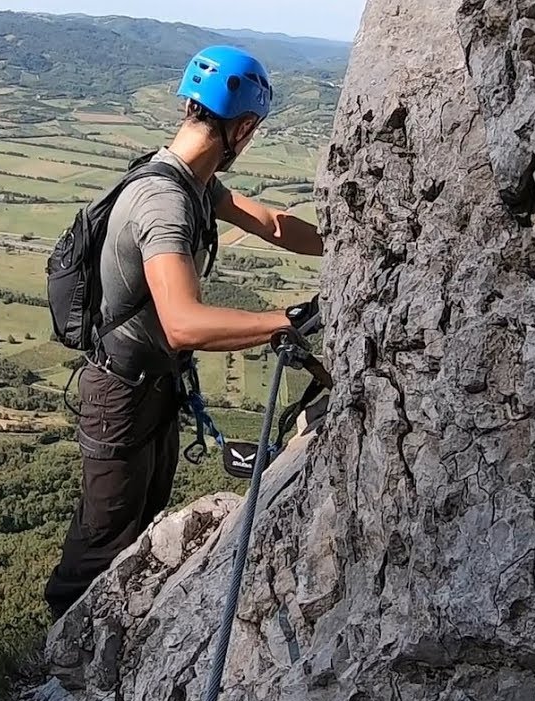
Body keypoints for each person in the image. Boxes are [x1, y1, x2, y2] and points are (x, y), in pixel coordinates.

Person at [43, 45, 324, 620]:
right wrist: (286, 320)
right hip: (120, 395)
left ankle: (116, 635)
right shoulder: (165, 201)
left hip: (151, 386)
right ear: (243, 128)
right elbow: (182, 322)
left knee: (139, 525)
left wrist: (350, 242)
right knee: (102, 542)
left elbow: (272, 225)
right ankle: (63, 654)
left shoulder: (192, 182)